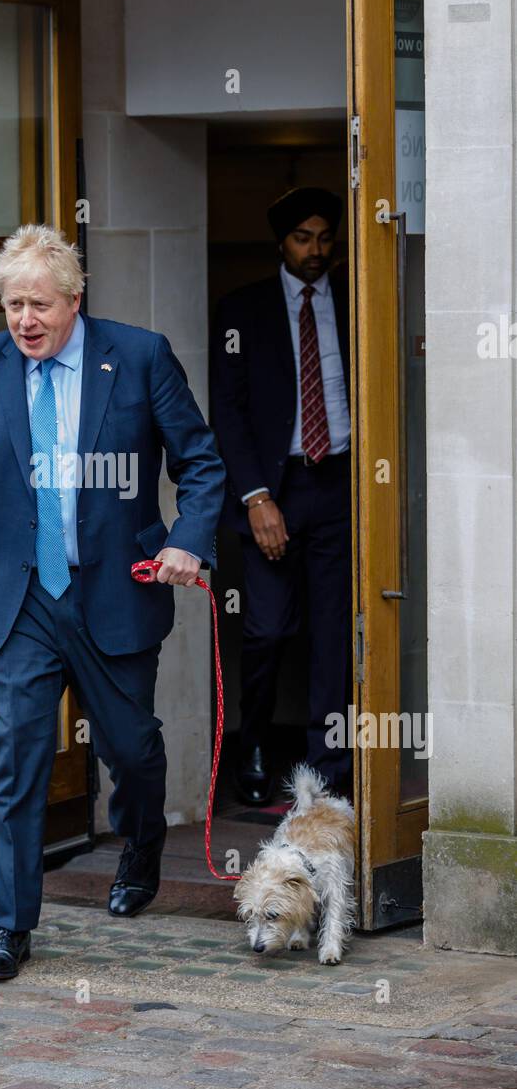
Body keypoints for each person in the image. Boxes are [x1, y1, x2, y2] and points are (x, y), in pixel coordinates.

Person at [0, 225, 225, 980]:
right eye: (12, 304)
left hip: (114, 593)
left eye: (39, 304)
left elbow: (200, 461)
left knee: (132, 749)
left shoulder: (139, 355)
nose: (25, 319)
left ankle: (142, 843)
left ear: (74, 300)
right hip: (19, 599)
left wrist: (188, 540)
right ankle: (10, 928)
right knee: (17, 759)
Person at [210, 187, 353, 807]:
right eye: (303, 238)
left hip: (341, 484)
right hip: (274, 488)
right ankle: (257, 744)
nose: (316, 251)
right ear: (281, 243)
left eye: (325, 238)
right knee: (266, 629)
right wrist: (255, 496)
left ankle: (329, 766)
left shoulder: (357, 299)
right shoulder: (242, 311)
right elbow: (228, 413)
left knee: (334, 629)